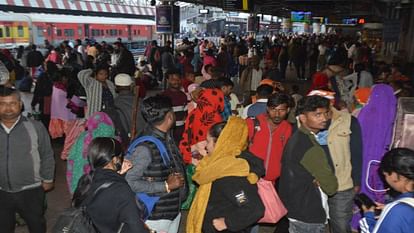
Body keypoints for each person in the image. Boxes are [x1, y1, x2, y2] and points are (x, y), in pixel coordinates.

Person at [186, 118, 265, 233]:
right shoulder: (219, 166)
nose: (205, 146)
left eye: (208, 141)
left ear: (220, 143)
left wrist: (227, 223)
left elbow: (254, 208)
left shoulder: (230, 174)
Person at [125, 95, 188, 233]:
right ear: (170, 116)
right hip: (156, 216)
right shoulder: (145, 147)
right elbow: (129, 181)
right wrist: (165, 186)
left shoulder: (166, 137)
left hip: (170, 210)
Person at [279, 95, 338, 233]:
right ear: (303, 118)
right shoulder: (311, 147)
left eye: (325, 113)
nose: (324, 118)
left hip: (295, 207)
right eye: (317, 114)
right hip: (308, 212)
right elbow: (331, 186)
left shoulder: (297, 138)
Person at [0, 86, 55, 233]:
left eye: (12, 103)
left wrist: (48, 179)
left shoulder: (35, 127)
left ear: (20, 104)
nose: (8, 108)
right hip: (2, 191)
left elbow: (47, 154)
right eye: (2, 104)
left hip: (31, 189)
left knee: (36, 224)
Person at [72, 137, 149, 233]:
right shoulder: (121, 191)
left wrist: (118, 175)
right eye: (121, 156)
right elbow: (136, 228)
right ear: (115, 159)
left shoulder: (85, 181)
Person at [359, 148, 414, 233]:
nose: (385, 179)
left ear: (395, 176)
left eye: (385, 175)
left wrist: (368, 216)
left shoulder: (397, 211)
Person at [66, 112, 116, 194]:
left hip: (82, 182)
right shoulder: (114, 141)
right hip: (104, 187)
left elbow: (72, 161)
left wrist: (73, 188)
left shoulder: (84, 138)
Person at [179, 88, 224, 164]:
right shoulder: (215, 117)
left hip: (192, 152)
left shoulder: (193, 113)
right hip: (208, 156)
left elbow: (187, 132)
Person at [104, 73, 146, 147]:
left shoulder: (113, 104)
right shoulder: (141, 102)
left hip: (126, 143)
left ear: (115, 87)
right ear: (131, 86)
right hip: (143, 139)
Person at [160, 69, 188, 145]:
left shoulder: (183, 95)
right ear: (167, 80)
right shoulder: (163, 96)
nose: (176, 81)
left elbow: (186, 113)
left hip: (181, 130)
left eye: (178, 79)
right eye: (173, 79)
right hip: (168, 130)